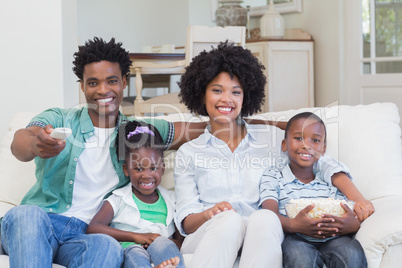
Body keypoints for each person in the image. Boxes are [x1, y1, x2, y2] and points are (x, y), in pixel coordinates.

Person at [1, 37, 204, 267]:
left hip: (85, 236)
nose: (103, 90)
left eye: (111, 81)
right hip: (41, 222)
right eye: (93, 83)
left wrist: (243, 123)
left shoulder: (138, 133)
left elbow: (197, 129)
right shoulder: (59, 118)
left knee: (108, 246)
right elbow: (20, 143)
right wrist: (36, 144)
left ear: (124, 82)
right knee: (26, 214)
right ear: (82, 86)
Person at [174, 41, 356, 268]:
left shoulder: (271, 139)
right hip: (210, 234)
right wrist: (209, 213)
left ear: (246, 97)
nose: (226, 99)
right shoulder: (188, 153)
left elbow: (318, 160)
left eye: (236, 92)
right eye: (217, 90)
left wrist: (357, 200)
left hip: (261, 233)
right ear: (201, 94)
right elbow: (187, 223)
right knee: (229, 220)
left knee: (265, 216)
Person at [260, 112, 370, 268]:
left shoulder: (330, 178)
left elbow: (350, 210)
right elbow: (269, 215)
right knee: (299, 258)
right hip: (295, 237)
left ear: (323, 149)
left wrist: (354, 225)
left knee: (351, 253)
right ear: (284, 144)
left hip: (335, 237)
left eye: (315, 140)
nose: (306, 145)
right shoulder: (273, 176)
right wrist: (293, 225)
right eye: (298, 138)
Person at [87, 120, 184, 268]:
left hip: (161, 249)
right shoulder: (119, 198)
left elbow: (180, 241)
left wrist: (159, 240)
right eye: (139, 169)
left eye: (153, 168)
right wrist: (138, 237)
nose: (146, 175)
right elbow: (94, 228)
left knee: (163, 244)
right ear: (126, 170)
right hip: (130, 248)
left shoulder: (172, 200)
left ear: (162, 168)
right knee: (135, 252)